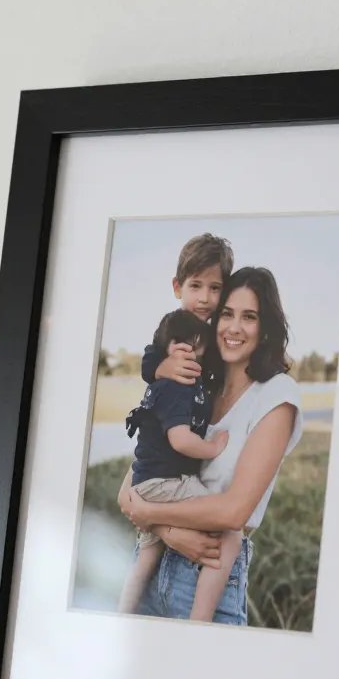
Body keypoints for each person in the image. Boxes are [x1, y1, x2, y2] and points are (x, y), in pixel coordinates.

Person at [119, 266, 303, 626]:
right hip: (154, 568)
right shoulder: (195, 388)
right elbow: (128, 492)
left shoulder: (275, 396)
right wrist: (170, 534)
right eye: (227, 314)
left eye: (249, 317)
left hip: (210, 575)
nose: (234, 327)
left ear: (265, 327)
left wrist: (151, 516)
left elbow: (233, 514)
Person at [118, 309, 242, 621]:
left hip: (145, 482)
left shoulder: (163, 381)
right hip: (165, 482)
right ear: (178, 348)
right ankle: (199, 622)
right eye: (197, 348)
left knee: (146, 559)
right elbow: (181, 441)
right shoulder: (177, 386)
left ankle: (121, 618)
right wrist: (212, 447)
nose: (201, 357)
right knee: (229, 531)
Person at [141, 232, 234, 388]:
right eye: (195, 286)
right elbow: (149, 358)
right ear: (178, 288)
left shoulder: (219, 331)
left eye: (215, 288)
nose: (204, 298)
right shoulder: (172, 324)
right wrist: (161, 368)